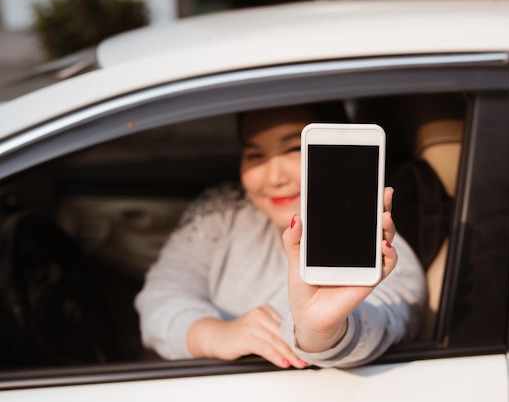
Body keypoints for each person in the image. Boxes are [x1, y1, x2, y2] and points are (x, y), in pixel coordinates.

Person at [135, 102, 426, 368]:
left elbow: (379, 322)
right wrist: (215, 334)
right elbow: (160, 298)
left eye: (293, 149)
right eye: (255, 155)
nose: (274, 178)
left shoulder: (382, 253)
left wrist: (320, 330)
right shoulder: (222, 213)